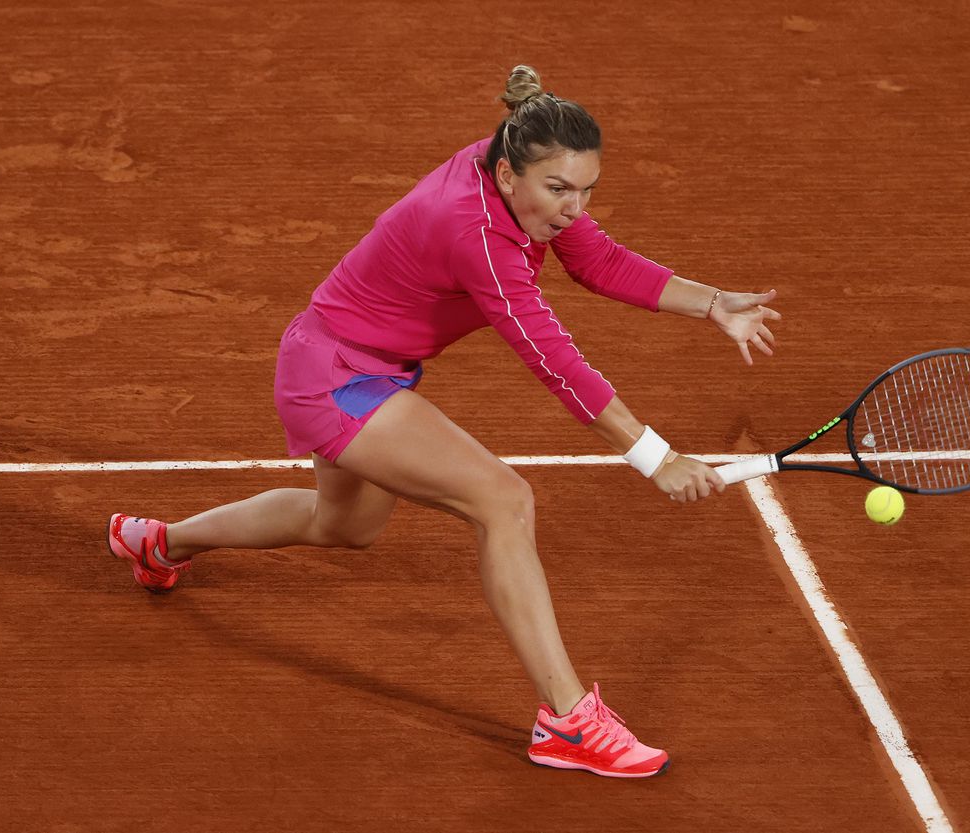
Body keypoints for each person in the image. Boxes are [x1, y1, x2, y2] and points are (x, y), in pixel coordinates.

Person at [108, 65, 780, 779]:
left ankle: (160, 543)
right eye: (560, 189)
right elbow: (553, 360)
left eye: (587, 190)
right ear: (508, 172)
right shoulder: (478, 234)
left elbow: (598, 260)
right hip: (338, 380)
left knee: (345, 526)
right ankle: (567, 719)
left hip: (341, 361)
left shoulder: (510, 180)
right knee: (505, 499)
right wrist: (654, 456)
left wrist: (711, 302)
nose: (574, 208)